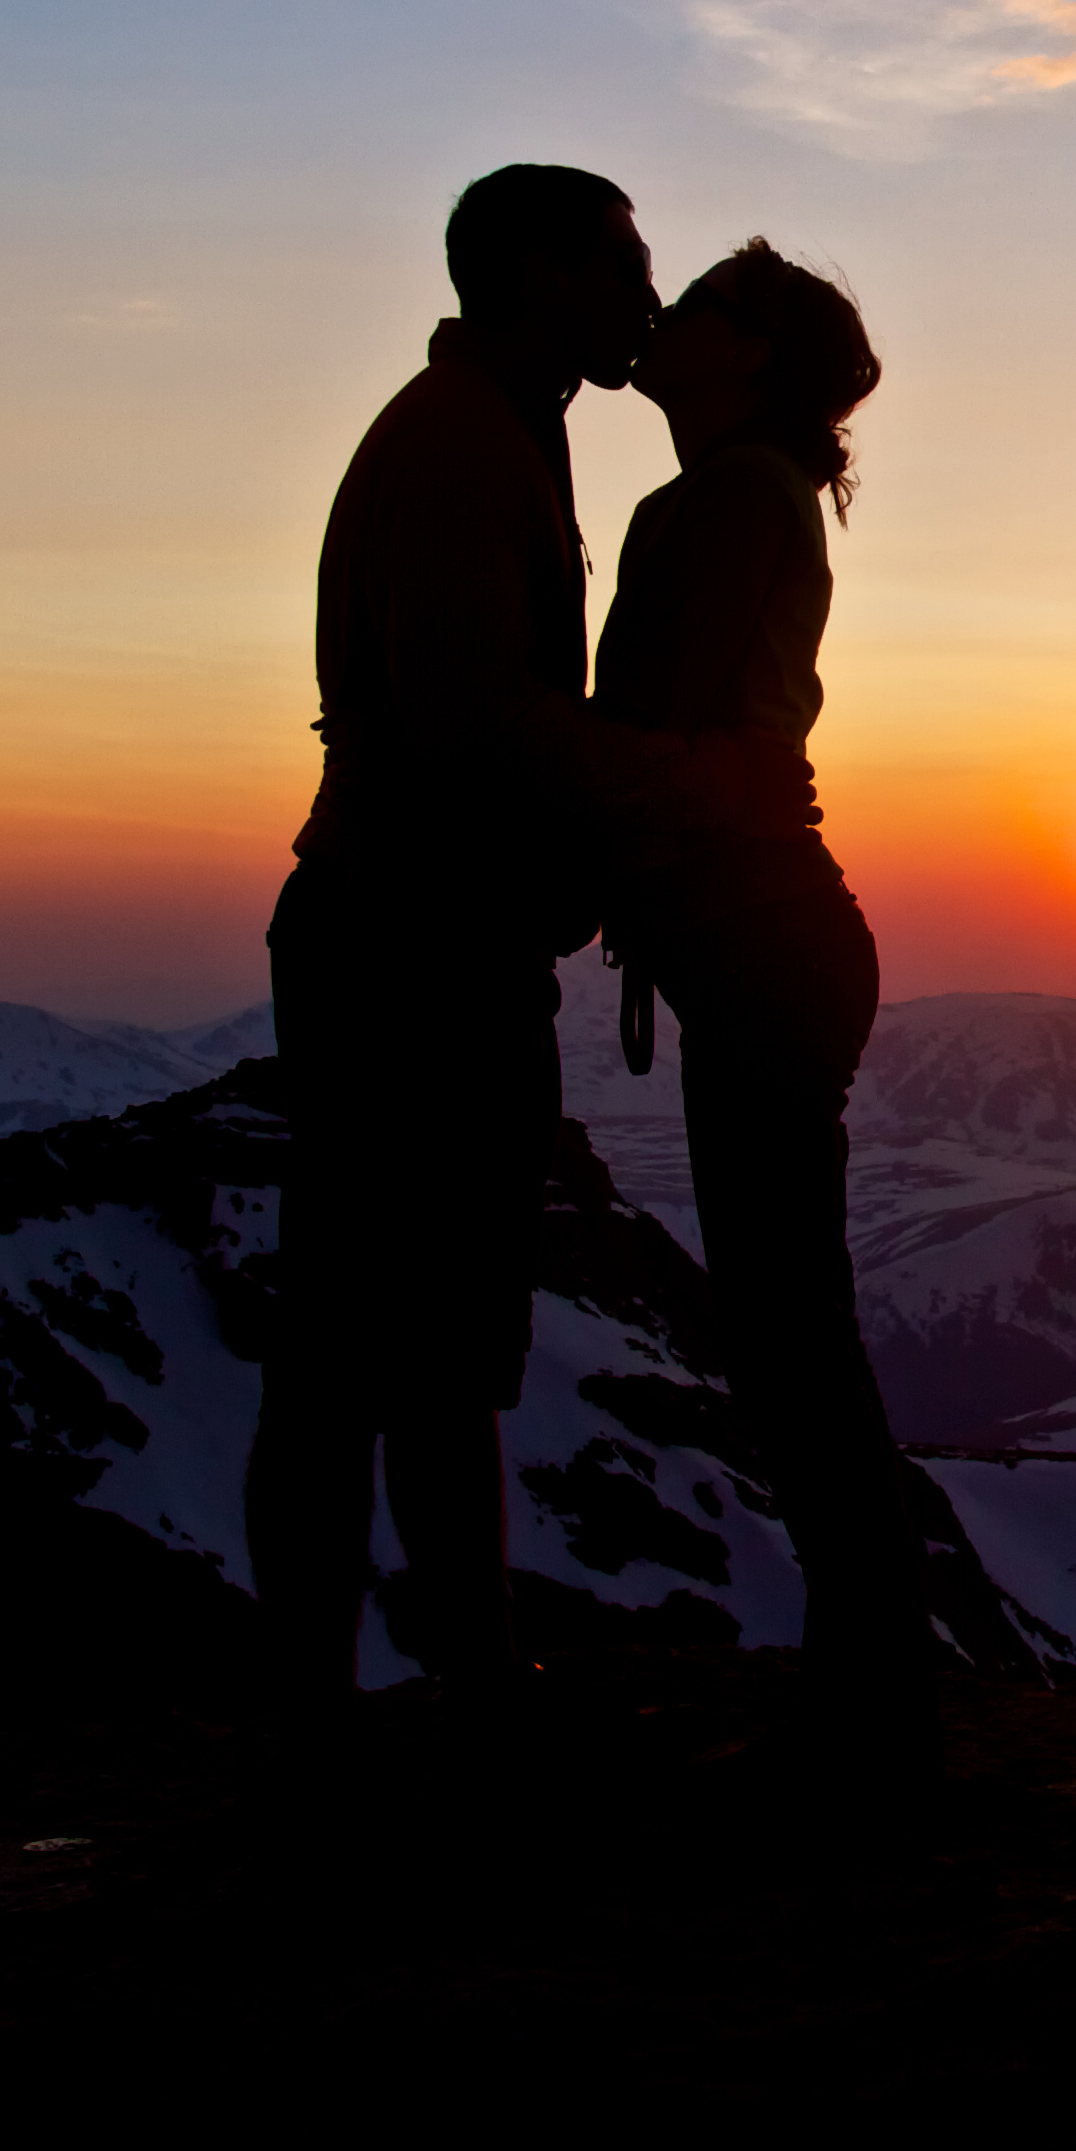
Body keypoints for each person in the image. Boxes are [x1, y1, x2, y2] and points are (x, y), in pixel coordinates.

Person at [254, 166, 795, 1706]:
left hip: (436, 940)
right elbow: (472, 727)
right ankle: (353, 1693)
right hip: (405, 945)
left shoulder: (505, 432)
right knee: (366, 1344)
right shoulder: (456, 450)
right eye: (625, 267)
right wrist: (700, 783)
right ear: (543, 277)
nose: (648, 295)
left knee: (416, 1343)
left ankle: (448, 1677)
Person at [590, 240, 933, 1756]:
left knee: (786, 1325)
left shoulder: (726, 499)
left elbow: (648, 728)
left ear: (746, 357)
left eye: (704, 306)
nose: (669, 319)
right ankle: (869, 1652)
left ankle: (873, 1663)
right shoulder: (751, 497)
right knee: (790, 1318)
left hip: (757, 934)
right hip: (768, 939)